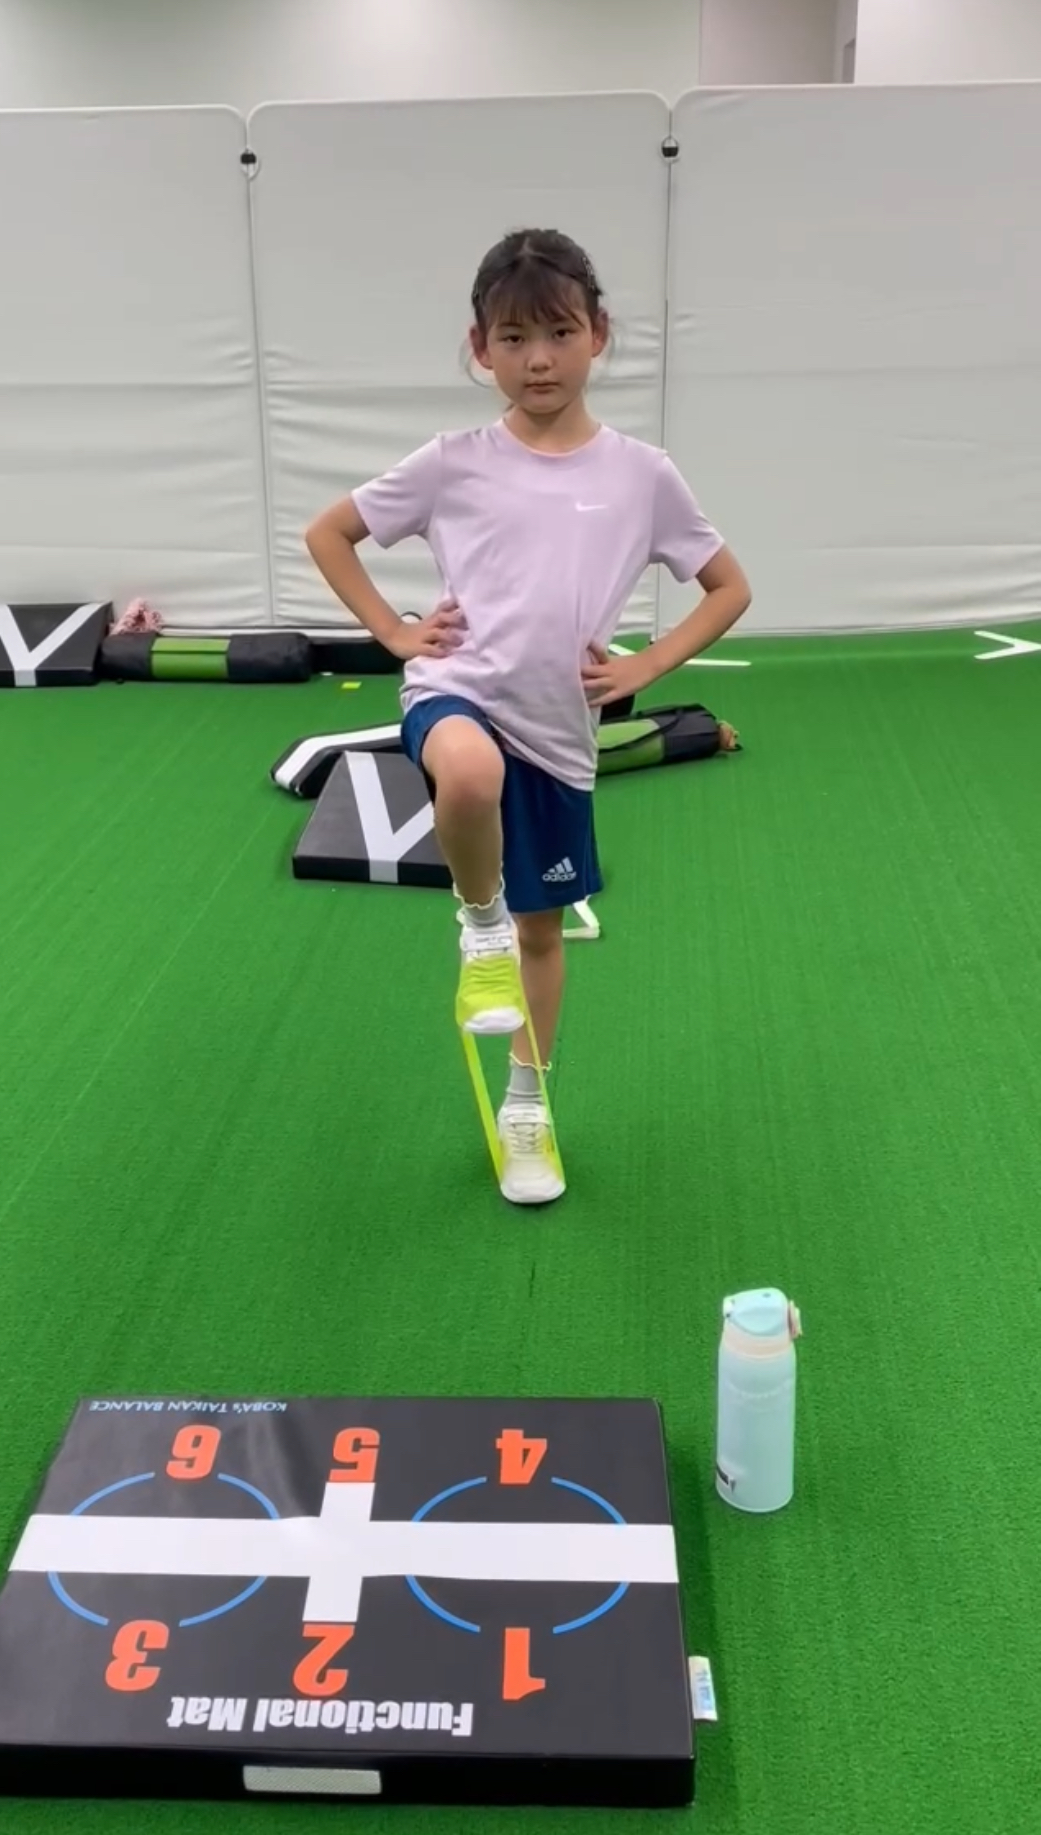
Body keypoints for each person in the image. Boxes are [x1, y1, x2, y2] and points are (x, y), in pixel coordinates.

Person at [305, 228, 751, 1206]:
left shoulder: (643, 474)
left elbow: (727, 586)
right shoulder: (450, 463)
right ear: (481, 349)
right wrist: (394, 631)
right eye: (513, 338)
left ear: (599, 334)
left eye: (558, 333)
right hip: (457, 691)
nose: (537, 359)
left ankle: (527, 1108)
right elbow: (330, 532)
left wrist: (646, 663)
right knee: (469, 776)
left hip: (559, 731)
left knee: (543, 937)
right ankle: (478, 925)